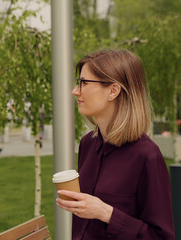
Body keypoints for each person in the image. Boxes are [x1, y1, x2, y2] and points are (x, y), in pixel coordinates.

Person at [56, 49, 175, 239]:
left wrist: (105, 213)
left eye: (84, 83)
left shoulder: (147, 155)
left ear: (113, 90)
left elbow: (161, 236)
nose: (75, 91)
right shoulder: (88, 144)